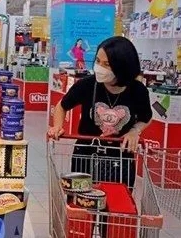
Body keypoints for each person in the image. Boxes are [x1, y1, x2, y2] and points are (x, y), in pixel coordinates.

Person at [49, 36, 152, 188]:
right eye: (97, 61)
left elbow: (146, 117)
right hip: (85, 156)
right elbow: (62, 106)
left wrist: (134, 131)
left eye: (107, 64)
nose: (99, 68)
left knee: (117, 205)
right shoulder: (87, 85)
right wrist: (57, 126)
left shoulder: (138, 91)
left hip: (120, 159)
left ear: (122, 67)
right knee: (82, 204)